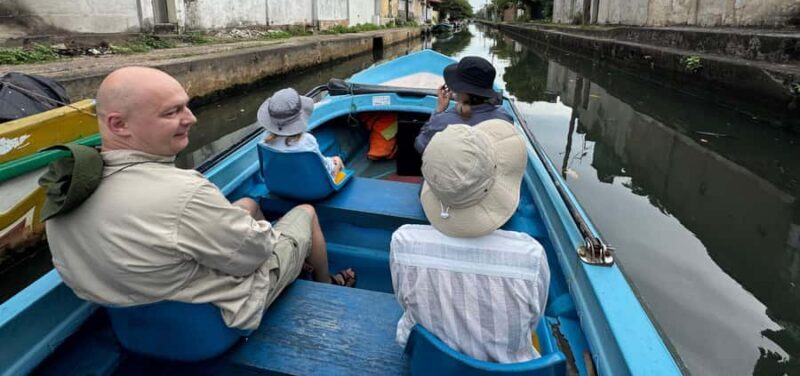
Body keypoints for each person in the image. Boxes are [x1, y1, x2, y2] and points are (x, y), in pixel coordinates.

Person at [41, 66, 355, 333]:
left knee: (248, 204)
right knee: (304, 213)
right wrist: (268, 232)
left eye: (186, 107)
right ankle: (326, 283)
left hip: (135, 318)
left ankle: (264, 237)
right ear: (118, 124)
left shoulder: (67, 186)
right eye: (172, 112)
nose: (191, 118)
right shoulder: (185, 192)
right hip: (216, 319)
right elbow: (256, 255)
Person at [391, 120, 550, 363]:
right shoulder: (531, 257)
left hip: (429, 363)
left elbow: (404, 302)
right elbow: (533, 321)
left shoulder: (403, 243)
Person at [414, 56, 512, 154]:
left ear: (459, 90)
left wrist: (439, 111)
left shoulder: (443, 121)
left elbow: (421, 145)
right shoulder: (504, 116)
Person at [259, 87, 343, 177]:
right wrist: (335, 162)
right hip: (314, 185)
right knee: (338, 161)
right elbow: (326, 171)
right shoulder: (307, 140)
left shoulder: (263, 141)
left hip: (281, 182)